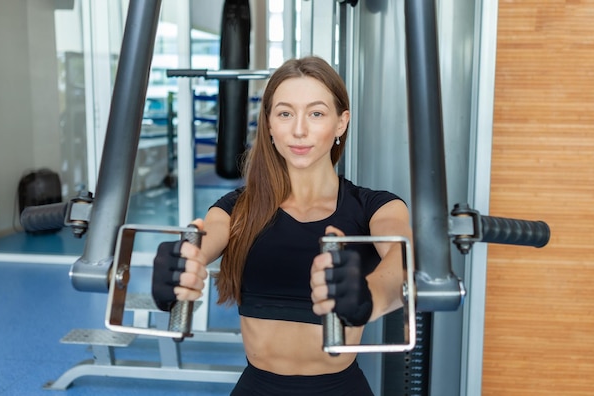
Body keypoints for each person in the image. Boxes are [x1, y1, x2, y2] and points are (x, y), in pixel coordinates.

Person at [152, 55, 412, 395]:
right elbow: (202, 244)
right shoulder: (237, 208)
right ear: (270, 125)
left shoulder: (375, 207)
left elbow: (404, 259)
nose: (299, 129)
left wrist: (368, 297)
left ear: (340, 123)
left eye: (316, 113)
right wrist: (180, 264)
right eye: (285, 113)